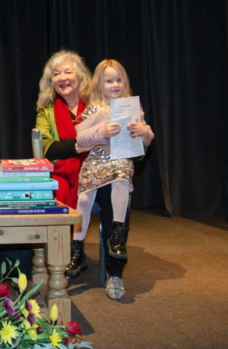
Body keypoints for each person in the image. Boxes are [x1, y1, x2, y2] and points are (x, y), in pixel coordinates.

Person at [75, 59, 154, 300]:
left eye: (119, 80)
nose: (115, 84)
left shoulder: (133, 108)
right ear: (99, 84)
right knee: (84, 196)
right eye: (109, 80)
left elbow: (145, 141)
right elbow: (79, 138)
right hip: (96, 163)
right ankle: (76, 247)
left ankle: (117, 237)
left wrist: (144, 134)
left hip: (119, 161)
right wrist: (102, 132)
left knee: (121, 176)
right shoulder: (93, 109)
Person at [35, 50, 93, 277]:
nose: (62, 78)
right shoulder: (45, 109)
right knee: (56, 187)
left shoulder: (96, 103)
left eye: (68, 72)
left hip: (93, 174)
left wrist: (68, 145)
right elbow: (45, 148)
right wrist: (84, 144)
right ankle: (65, 253)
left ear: (80, 76)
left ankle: (76, 250)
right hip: (60, 174)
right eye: (56, 74)